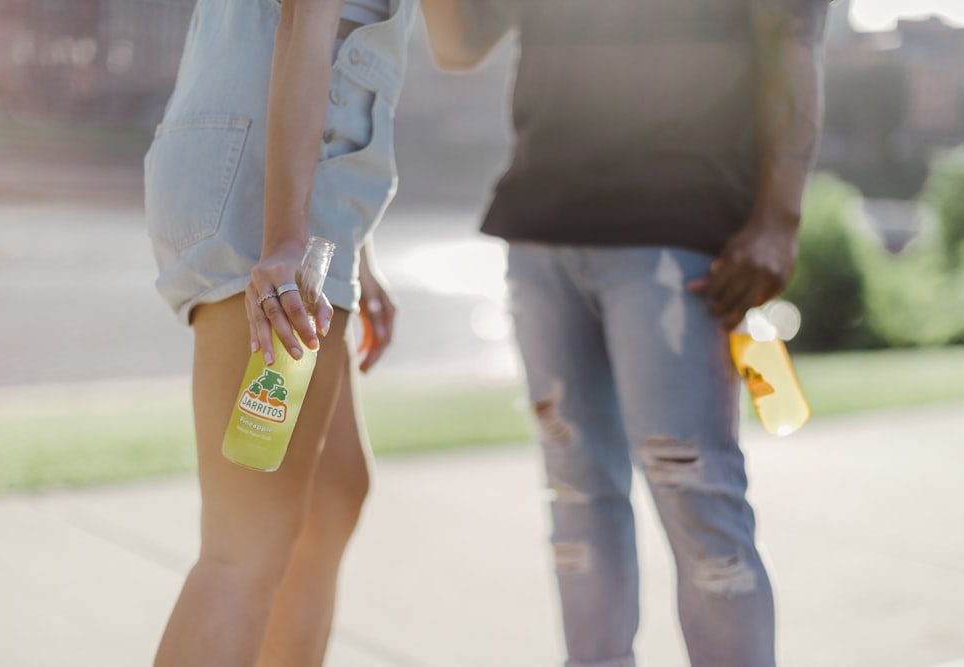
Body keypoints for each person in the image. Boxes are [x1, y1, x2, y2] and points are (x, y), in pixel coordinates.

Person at [420, 0, 830, 665]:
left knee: (696, 496)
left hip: (677, 234)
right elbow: (459, 43)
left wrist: (779, 218)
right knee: (577, 499)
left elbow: (792, 27)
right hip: (541, 231)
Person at [143, 0, 415, 665]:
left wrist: (356, 254)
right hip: (277, 189)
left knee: (333, 491)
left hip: (257, 169)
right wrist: (291, 240)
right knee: (245, 546)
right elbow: (308, 18)